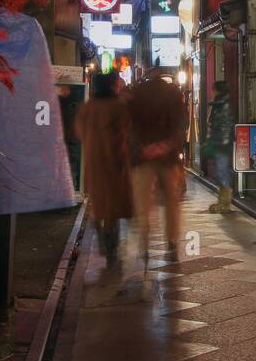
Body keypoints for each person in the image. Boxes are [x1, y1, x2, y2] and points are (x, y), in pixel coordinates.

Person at [125, 65, 188, 264]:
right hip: (168, 156)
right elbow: (181, 123)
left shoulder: (137, 94)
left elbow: (128, 125)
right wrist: (167, 145)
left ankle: (144, 242)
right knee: (171, 201)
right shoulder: (173, 94)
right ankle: (172, 242)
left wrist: (141, 149)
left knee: (142, 201)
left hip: (143, 156)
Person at [74, 72, 133, 267]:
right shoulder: (117, 106)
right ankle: (111, 249)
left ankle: (102, 237)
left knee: (99, 204)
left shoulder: (87, 107)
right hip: (114, 162)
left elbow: (79, 131)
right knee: (112, 209)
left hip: (93, 162)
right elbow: (126, 133)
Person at [204, 80, 235, 213]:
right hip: (220, 142)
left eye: (214, 89)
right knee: (221, 172)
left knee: (222, 172)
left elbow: (224, 126)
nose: (212, 91)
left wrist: (218, 140)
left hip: (222, 143)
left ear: (218, 90)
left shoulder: (223, 106)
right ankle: (222, 202)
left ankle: (225, 204)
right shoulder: (218, 104)